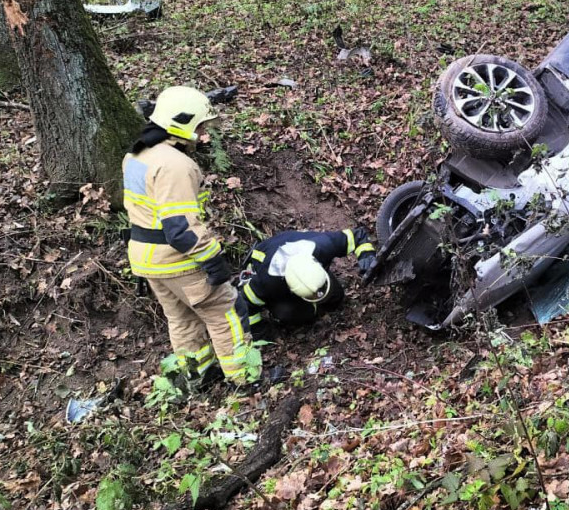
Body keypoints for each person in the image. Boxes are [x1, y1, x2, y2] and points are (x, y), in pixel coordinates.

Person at [122, 86, 261, 388]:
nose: (202, 132)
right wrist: (212, 260)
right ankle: (245, 378)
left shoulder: (137, 153)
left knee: (182, 319)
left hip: (145, 259)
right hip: (176, 260)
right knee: (227, 313)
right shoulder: (175, 165)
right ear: (182, 123)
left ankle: (198, 376)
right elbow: (181, 230)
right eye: (199, 125)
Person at [234, 228, 377, 337]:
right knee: (290, 314)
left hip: (293, 245)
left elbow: (357, 235)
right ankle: (306, 310)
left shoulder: (322, 246)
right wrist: (261, 332)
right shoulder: (267, 282)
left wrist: (367, 256)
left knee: (336, 297)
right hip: (265, 257)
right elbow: (245, 305)